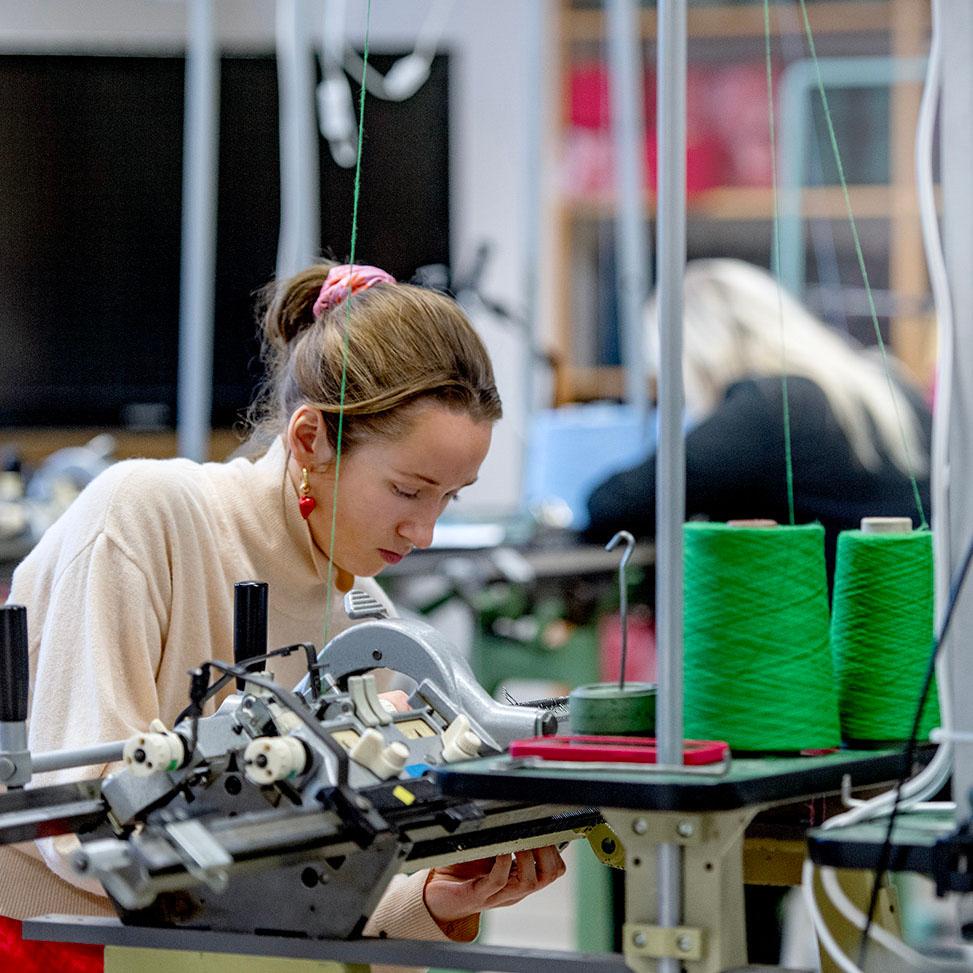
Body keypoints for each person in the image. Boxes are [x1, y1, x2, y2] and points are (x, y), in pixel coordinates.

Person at [0, 261, 566, 972]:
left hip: (221, 940)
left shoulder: (366, 621)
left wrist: (427, 900)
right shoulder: (142, 517)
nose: (423, 531)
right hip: (59, 936)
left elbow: (322, 876)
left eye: (448, 498)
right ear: (308, 440)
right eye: (407, 490)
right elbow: (78, 827)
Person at [585, 258, 932, 579]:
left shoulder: (768, 407)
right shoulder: (886, 387)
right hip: (910, 613)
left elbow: (614, 503)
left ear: (699, 355)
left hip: (821, 619)